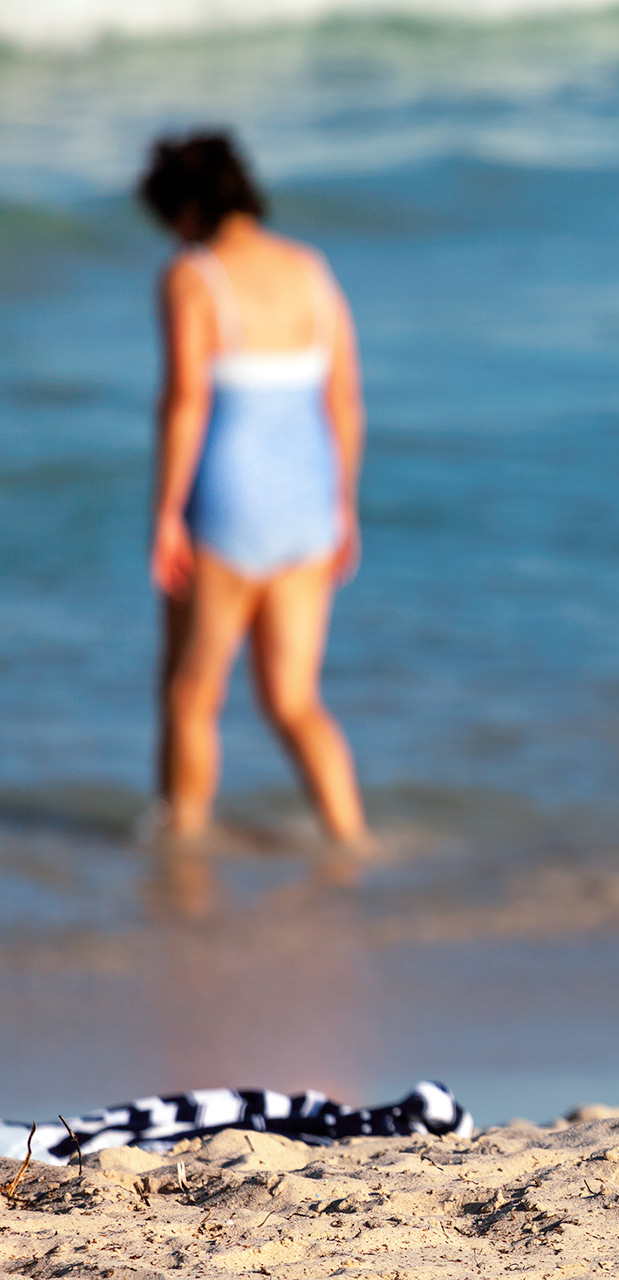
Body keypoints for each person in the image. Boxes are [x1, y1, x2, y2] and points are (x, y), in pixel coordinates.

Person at [139, 131, 368, 876]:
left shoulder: (193, 277)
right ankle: (351, 843)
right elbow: (345, 404)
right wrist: (345, 507)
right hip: (307, 505)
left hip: (230, 504)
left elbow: (185, 404)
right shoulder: (311, 271)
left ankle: (184, 851)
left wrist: (166, 514)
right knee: (295, 700)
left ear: (187, 208)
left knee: (191, 693)